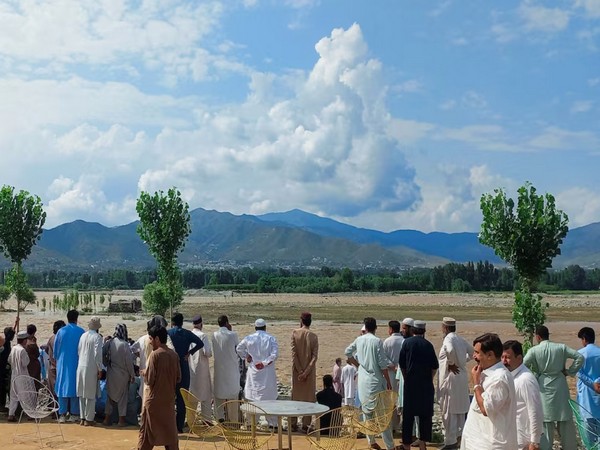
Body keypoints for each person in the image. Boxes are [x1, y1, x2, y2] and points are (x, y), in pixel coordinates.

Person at [524, 325, 584, 450]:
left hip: (544, 385)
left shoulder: (534, 350)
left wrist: (533, 376)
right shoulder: (561, 347)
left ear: (538, 337)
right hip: (560, 383)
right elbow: (579, 357)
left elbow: (523, 364)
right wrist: (569, 371)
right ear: (548, 335)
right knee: (565, 419)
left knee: (546, 421)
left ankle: (546, 447)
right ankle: (570, 447)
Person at [461, 333, 517, 450]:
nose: (473, 356)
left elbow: (486, 408)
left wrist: (476, 383)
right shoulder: (485, 374)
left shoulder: (499, 378)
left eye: (477, 353)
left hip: (489, 444)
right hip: (476, 441)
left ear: (490, 355)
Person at [345, 317, 394, 450]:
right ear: (375, 328)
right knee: (382, 415)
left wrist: (359, 365)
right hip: (375, 380)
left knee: (367, 412)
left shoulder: (359, 339)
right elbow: (383, 364)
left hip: (363, 381)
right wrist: (388, 381)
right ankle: (389, 445)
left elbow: (347, 352)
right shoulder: (377, 341)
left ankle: (371, 442)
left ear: (365, 327)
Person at [137, 325, 181, 450]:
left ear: (157, 339)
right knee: (170, 437)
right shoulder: (174, 355)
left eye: (150, 339)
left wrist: (145, 372)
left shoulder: (154, 355)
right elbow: (178, 378)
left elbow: (150, 380)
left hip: (154, 402)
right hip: (168, 403)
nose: (150, 342)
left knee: (146, 436)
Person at [399, 320, 439, 450]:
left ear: (413, 330)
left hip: (410, 385)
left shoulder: (407, 343)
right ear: (424, 331)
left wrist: (406, 378)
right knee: (425, 415)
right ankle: (422, 445)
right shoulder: (428, 345)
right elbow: (434, 366)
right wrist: (429, 378)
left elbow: (402, 364)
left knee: (408, 416)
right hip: (425, 385)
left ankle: (406, 445)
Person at [437, 317, 473, 450]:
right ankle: (459, 439)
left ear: (445, 328)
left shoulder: (449, 339)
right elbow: (472, 352)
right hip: (462, 377)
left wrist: (452, 364)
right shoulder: (460, 339)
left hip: (452, 377)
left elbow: (450, 350)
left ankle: (451, 442)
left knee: (449, 409)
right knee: (460, 410)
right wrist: (463, 362)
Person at [236, 318, 279, 427]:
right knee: (269, 400)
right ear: (265, 327)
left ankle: (251, 424)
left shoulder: (249, 338)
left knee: (252, 399)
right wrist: (264, 363)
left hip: (253, 372)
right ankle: (273, 424)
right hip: (267, 373)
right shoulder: (271, 339)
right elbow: (274, 355)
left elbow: (239, 348)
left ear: (255, 328)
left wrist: (247, 356)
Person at [502, 340, 544, 450]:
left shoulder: (526, 379)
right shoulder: (510, 376)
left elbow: (535, 411)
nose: (504, 361)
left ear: (519, 358)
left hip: (523, 440)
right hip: (511, 437)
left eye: (507, 357)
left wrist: (534, 442)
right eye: (502, 357)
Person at [168, 313, 204, 433]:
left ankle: (169, 425)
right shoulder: (187, 333)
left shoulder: (169, 333)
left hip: (171, 368)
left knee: (169, 398)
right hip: (183, 367)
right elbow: (200, 343)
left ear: (172, 322)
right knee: (182, 398)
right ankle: (179, 426)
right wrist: (190, 352)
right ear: (182, 322)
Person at [290, 311, 319, 432]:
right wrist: (306, 372)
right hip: (309, 372)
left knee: (296, 396)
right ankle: (305, 424)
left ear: (301, 320)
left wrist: (300, 371)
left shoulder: (295, 333)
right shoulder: (313, 336)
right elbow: (314, 357)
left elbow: (293, 354)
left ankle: (293, 423)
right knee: (308, 397)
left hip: (297, 371)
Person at [55, 310, 85, 422]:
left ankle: (62, 414)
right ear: (77, 318)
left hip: (62, 363)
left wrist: (58, 358)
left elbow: (56, 350)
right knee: (75, 386)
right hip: (77, 362)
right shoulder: (81, 331)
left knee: (62, 387)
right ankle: (74, 414)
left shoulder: (61, 331)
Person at [104, 324, 135, 427]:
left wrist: (106, 364)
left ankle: (107, 419)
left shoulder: (109, 342)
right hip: (122, 375)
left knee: (110, 397)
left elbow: (102, 354)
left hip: (111, 373)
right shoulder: (125, 344)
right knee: (122, 398)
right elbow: (129, 362)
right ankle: (121, 421)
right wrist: (132, 374)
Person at [212, 315, 240, 423]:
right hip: (231, 369)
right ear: (227, 323)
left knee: (218, 395)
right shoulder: (233, 334)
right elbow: (237, 348)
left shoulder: (214, 335)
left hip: (219, 369)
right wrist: (230, 330)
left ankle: (220, 418)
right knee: (233, 396)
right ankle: (233, 420)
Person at [76, 316, 103, 426]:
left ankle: (82, 418)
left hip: (81, 366)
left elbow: (79, 351)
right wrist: (99, 368)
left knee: (82, 393)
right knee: (90, 395)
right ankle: (89, 419)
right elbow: (97, 354)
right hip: (91, 367)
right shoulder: (97, 337)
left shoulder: (83, 336)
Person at [576, 327, 600, 446]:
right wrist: (597, 381)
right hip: (598, 395)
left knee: (588, 432)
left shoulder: (580, 354)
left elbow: (578, 372)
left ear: (584, 339)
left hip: (586, 396)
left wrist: (591, 383)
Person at [189, 315, 213, 418]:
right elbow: (207, 352)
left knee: (192, 395)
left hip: (191, 369)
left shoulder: (189, 335)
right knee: (205, 395)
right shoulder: (203, 336)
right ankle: (206, 419)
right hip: (202, 370)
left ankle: (191, 419)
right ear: (201, 324)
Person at [383, 320, 403, 433]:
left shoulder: (387, 341)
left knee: (389, 399)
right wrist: (398, 367)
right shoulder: (404, 341)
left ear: (390, 329)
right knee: (399, 400)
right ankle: (397, 425)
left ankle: (389, 425)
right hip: (401, 373)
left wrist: (392, 366)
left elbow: (384, 358)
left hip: (390, 374)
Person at [7, 330, 30, 422]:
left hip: (14, 374)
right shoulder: (22, 350)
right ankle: (29, 413)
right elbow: (25, 363)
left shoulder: (14, 348)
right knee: (25, 394)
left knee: (13, 395)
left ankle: (11, 414)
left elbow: (9, 360)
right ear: (24, 340)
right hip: (22, 375)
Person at [47, 320, 66, 396]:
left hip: (52, 366)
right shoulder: (59, 339)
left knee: (53, 390)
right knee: (58, 391)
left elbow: (47, 350)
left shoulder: (52, 338)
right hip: (56, 367)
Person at [0, 326, 16, 412]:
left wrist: (16, 323)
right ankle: (2, 406)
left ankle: (3, 405)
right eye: (13, 335)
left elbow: (10, 332)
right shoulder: (4, 343)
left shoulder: (6, 341)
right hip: (3, 369)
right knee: (3, 387)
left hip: (4, 368)